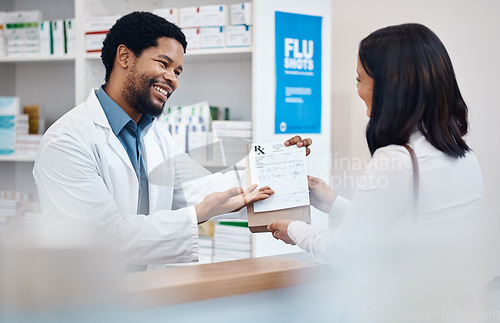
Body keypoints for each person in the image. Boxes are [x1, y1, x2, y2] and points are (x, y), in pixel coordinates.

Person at [33, 11, 311, 267]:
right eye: (163, 64)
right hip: (86, 296)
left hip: (147, 292)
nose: (172, 79)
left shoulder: (155, 133)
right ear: (125, 57)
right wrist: (197, 214)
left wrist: (272, 164)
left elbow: (197, 189)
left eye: (177, 71)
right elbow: (99, 238)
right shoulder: (67, 140)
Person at [269, 23, 483, 264]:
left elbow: (343, 250)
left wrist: (294, 229)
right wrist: (332, 202)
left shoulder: (397, 160)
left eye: (359, 79)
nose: (357, 88)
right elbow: (403, 229)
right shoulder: (465, 158)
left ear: (389, 87)